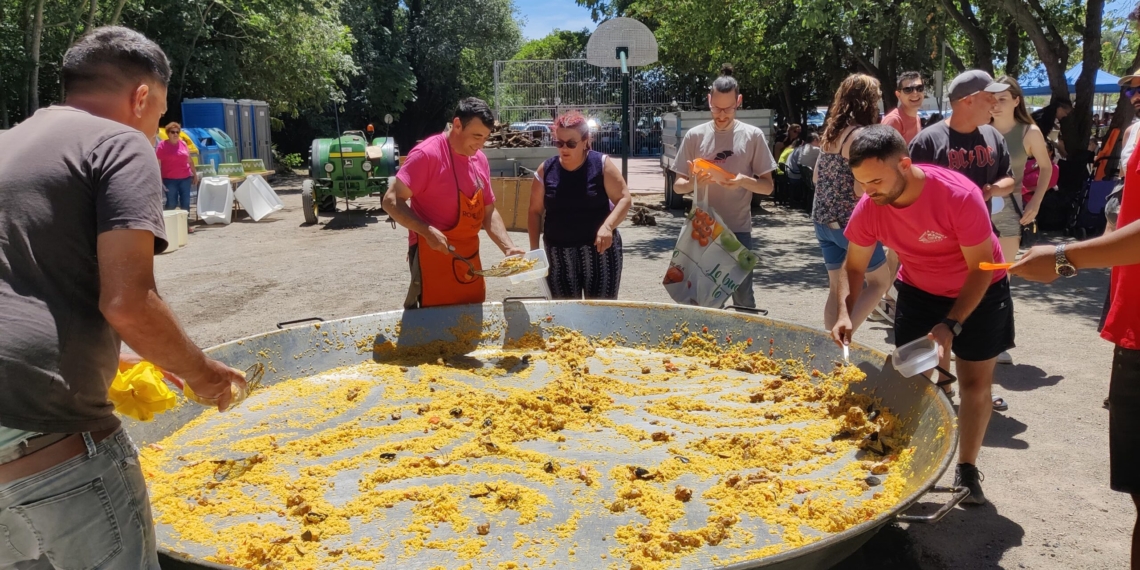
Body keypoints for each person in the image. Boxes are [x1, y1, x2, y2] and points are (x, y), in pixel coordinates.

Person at [0, 26, 246, 570]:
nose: (156, 126)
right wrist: (204, 375)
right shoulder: (119, 142)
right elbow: (128, 302)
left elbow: (24, 287)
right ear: (141, 97)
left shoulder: (6, 143)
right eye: (158, 112)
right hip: (46, 426)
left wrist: (137, 358)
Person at [833, 126, 1013, 505]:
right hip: (918, 290)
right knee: (909, 378)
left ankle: (966, 467)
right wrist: (845, 314)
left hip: (980, 287)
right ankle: (898, 461)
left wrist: (950, 324)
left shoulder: (958, 196)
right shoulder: (871, 206)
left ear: (905, 164)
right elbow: (853, 268)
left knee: (974, 383)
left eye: (877, 180)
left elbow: (981, 267)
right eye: (862, 183)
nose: (869, 191)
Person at [909, 69, 1016, 369]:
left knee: (978, 329)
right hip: (939, 250)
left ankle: (978, 377)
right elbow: (911, 193)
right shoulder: (928, 141)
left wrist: (992, 189)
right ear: (968, 101)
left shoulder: (993, 135)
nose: (996, 102)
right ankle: (942, 389)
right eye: (989, 96)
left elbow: (1009, 180)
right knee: (937, 329)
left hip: (982, 242)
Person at [384, 98, 526, 309]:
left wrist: (508, 247)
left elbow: (489, 211)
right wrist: (427, 231)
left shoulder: (479, 159)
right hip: (432, 254)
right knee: (434, 326)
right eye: (476, 136)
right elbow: (391, 201)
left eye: (485, 138)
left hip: (468, 255)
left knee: (471, 318)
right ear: (457, 125)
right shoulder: (427, 154)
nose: (480, 144)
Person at [670, 63, 776, 309]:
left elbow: (767, 187)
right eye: (716, 107)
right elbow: (678, 187)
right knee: (700, 298)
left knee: (743, 299)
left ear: (739, 101)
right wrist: (694, 182)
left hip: (737, 231)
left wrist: (743, 182)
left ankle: (746, 345)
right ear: (709, 100)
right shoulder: (695, 136)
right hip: (702, 229)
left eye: (728, 108)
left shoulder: (752, 136)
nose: (721, 114)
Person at [811, 73, 891, 333]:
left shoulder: (830, 135)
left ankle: (828, 351)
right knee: (879, 282)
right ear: (868, 102)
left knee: (836, 289)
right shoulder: (858, 137)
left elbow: (815, 177)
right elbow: (860, 187)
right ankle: (842, 337)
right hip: (850, 225)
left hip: (823, 221)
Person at [528, 111, 631, 299]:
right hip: (558, 256)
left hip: (600, 253)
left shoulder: (601, 164)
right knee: (565, 318)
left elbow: (624, 199)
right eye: (559, 143)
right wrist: (535, 251)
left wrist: (608, 226)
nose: (564, 148)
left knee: (601, 314)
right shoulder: (546, 170)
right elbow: (534, 212)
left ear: (585, 141)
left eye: (571, 143)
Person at [990, 76, 1054, 264]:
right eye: (992, 99)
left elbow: (1046, 167)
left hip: (1011, 206)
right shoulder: (979, 130)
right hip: (978, 206)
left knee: (1002, 274)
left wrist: (1036, 202)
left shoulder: (1029, 132)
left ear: (1016, 101)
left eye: (1002, 99)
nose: (995, 105)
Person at [155, 121, 197, 210]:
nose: (175, 134)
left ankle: (185, 222)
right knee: (172, 202)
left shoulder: (183, 144)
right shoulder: (162, 146)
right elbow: (157, 163)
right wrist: (159, 179)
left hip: (185, 178)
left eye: (177, 132)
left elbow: (189, 160)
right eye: (172, 132)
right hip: (169, 180)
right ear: (168, 133)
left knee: (185, 202)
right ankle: (170, 222)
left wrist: (195, 175)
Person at [881, 71, 924, 145]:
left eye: (919, 88)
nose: (915, 93)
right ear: (898, 94)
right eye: (908, 90)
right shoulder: (894, 120)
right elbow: (885, 155)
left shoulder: (917, 118)